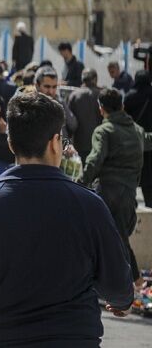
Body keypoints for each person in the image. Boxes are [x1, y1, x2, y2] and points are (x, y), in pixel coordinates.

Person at [0, 91, 135, 347]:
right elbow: (118, 284)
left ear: (11, 142)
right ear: (55, 142)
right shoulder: (89, 205)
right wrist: (121, 301)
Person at [82, 88, 151, 287]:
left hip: (107, 193)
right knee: (116, 239)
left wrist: (79, 182)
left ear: (101, 109)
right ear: (121, 106)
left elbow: (95, 161)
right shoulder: (136, 130)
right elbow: (148, 140)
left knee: (114, 241)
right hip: (128, 195)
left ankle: (135, 281)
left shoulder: (104, 131)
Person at [125, 70, 152, 206]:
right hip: (151, 142)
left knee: (133, 175)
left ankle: (132, 205)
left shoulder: (130, 96)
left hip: (134, 141)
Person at [67, 68, 102, 157]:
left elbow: (69, 122)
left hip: (79, 144)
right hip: (99, 143)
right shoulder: (101, 94)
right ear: (95, 79)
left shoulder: (74, 95)